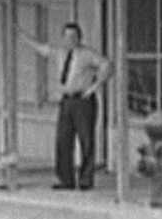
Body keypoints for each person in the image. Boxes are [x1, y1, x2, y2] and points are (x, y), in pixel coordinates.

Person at [20, 22, 111, 190]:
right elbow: (42, 49)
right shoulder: (60, 52)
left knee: (86, 140)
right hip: (66, 100)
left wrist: (95, 87)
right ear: (63, 38)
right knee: (63, 140)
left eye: (74, 36)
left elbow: (106, 64)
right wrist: (22, 35)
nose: (71, 40)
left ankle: (85, 180)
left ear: (80, 37)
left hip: (83, 100)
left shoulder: (87, 54)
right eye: (67, 36)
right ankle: (65, 179)